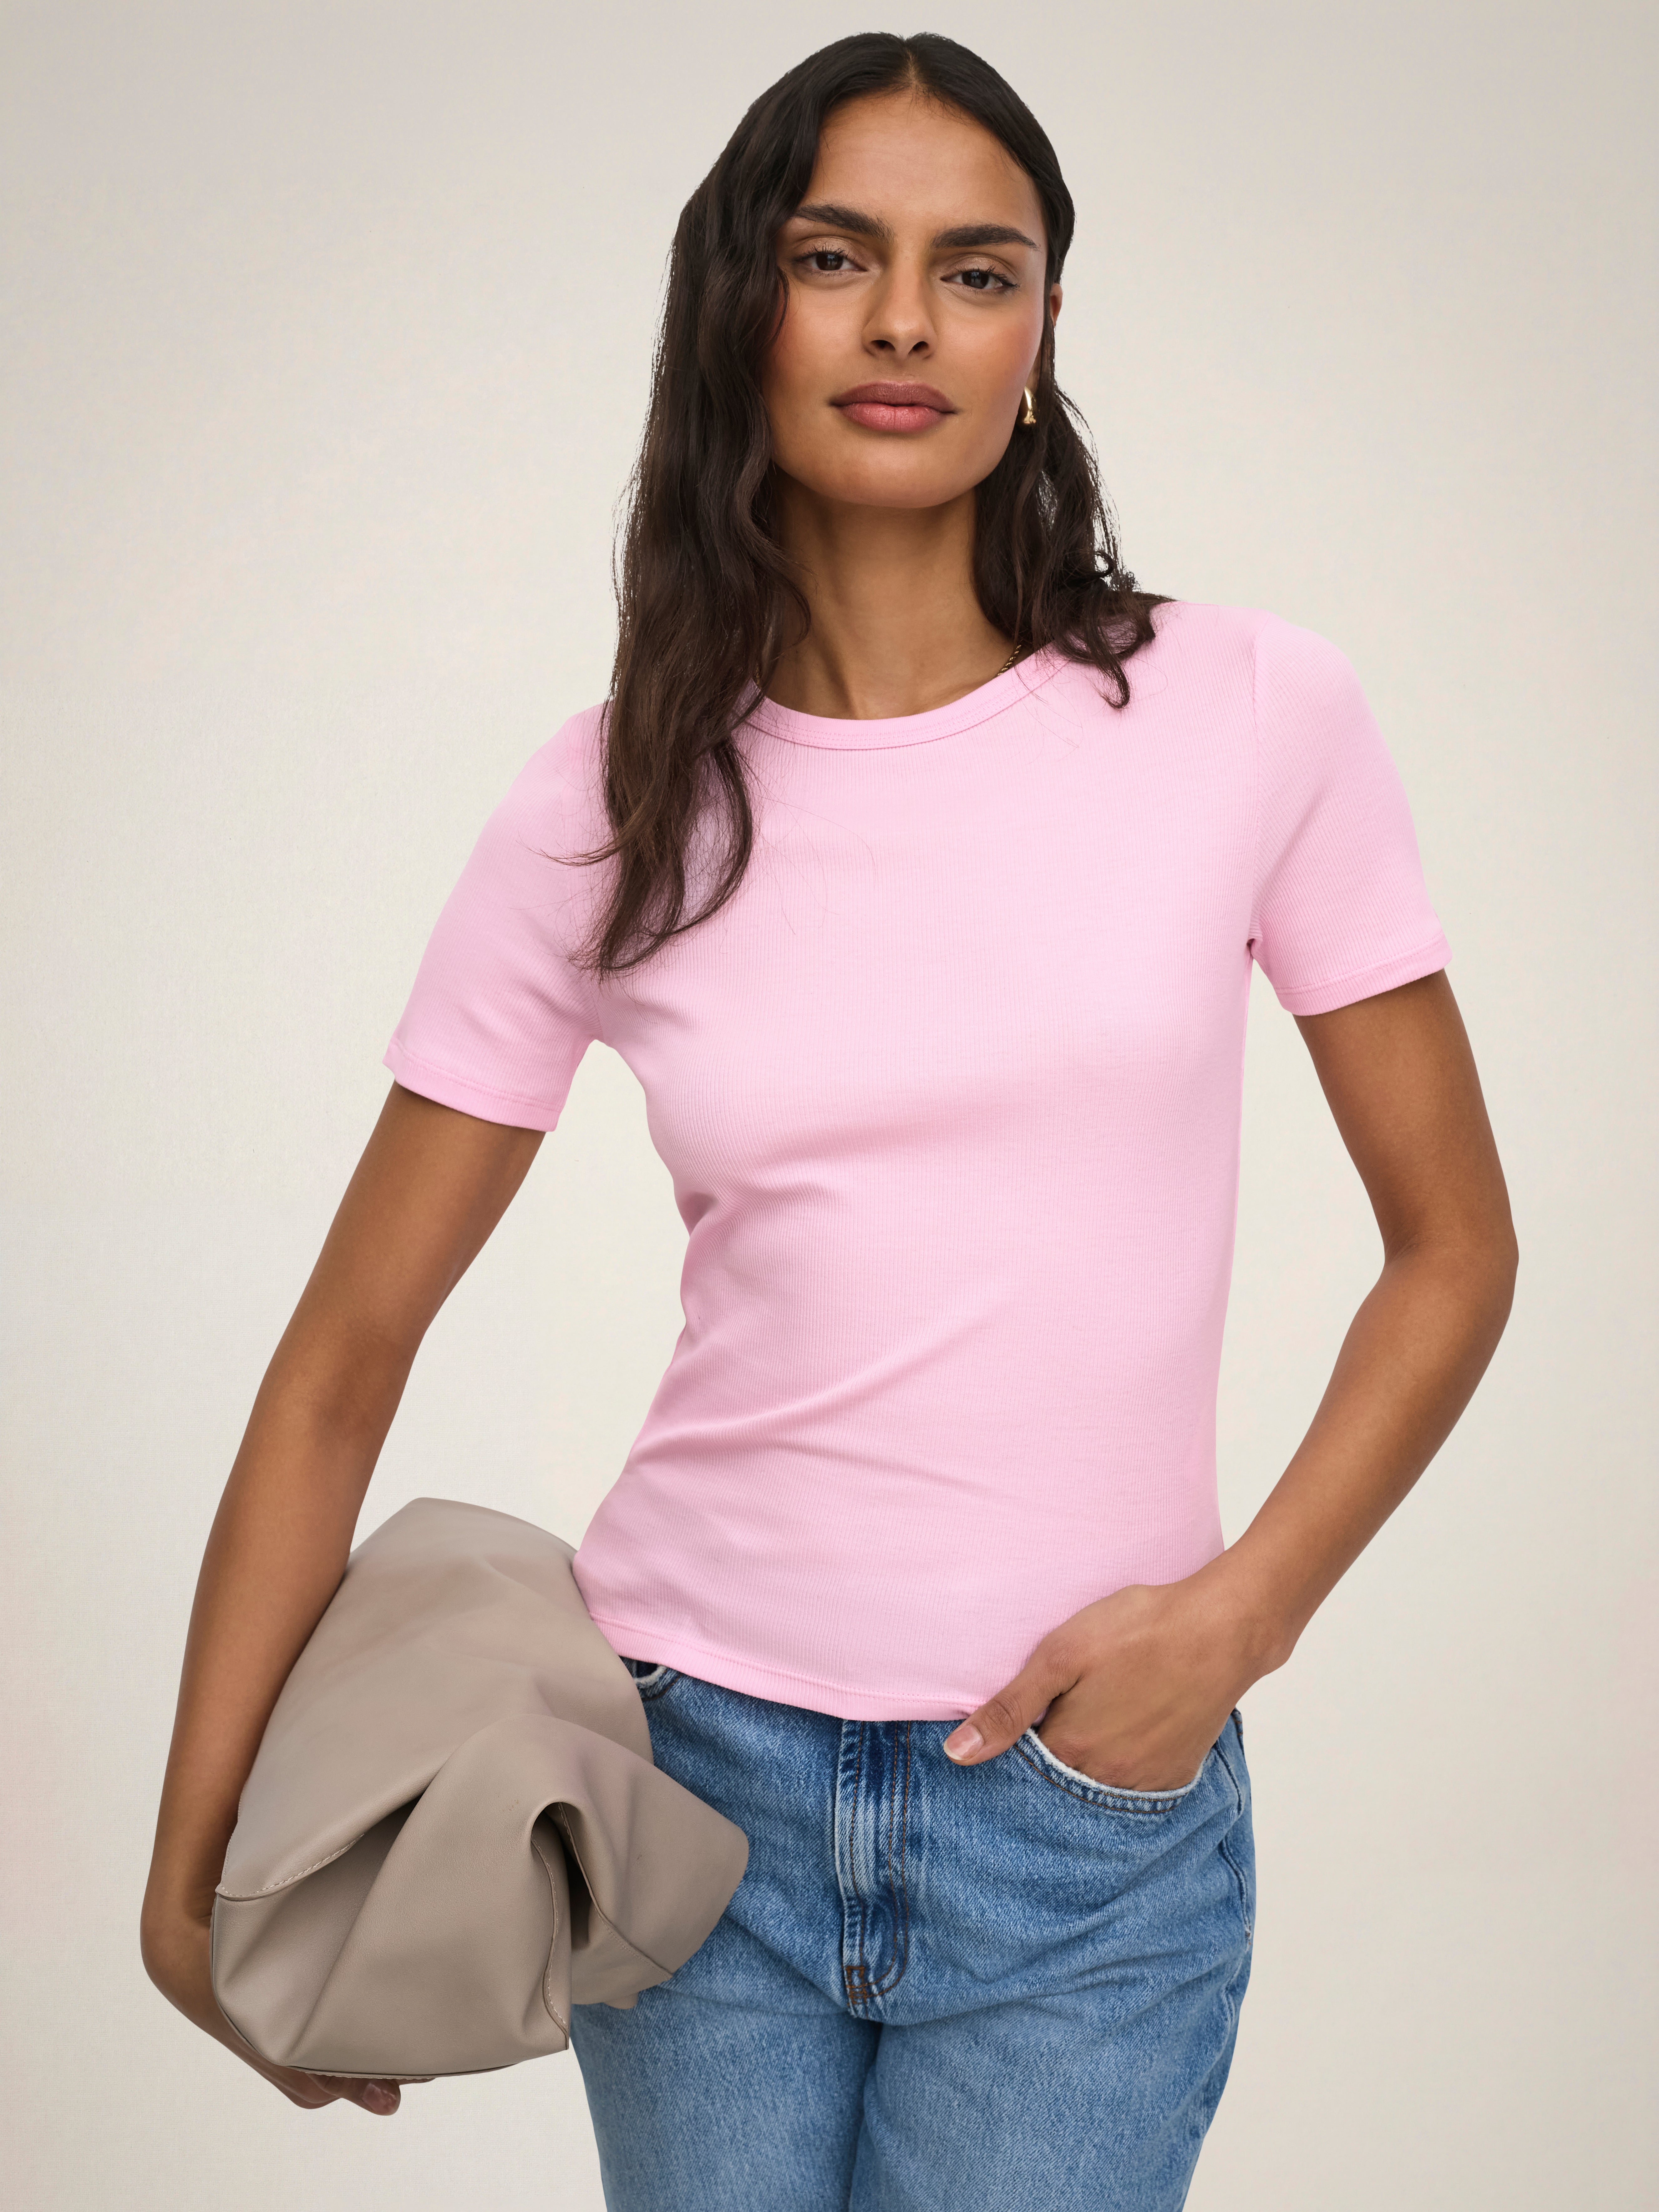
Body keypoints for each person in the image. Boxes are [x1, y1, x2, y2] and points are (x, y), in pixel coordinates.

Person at [141, 30, 1518, 2212]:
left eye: (977, 271)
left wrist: (1239, 1618)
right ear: (739, 309)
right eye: (830, 257)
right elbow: (344, 1357)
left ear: (1038, 336)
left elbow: (1453, 1247)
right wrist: (192, 1865)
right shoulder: (607, 805)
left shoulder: (1251, 713)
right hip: (691, 1792)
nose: (903, 323)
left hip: (1080, 1808)